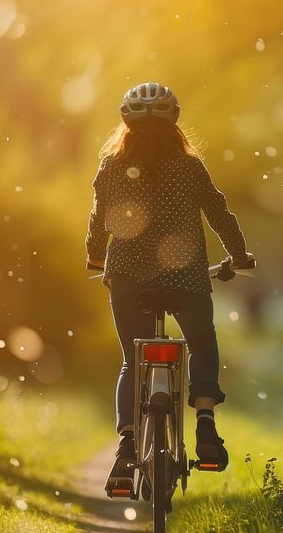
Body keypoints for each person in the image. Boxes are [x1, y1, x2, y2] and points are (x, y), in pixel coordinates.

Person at [85, 82, 254, 493]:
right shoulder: (190, 167)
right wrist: (239, 255)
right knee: (200, 342)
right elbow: (219, 212)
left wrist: (94, 257)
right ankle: (206, 427)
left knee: (132, 360)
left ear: (126, 125)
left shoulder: (110, 167)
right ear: (174, 123)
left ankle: (127, 449)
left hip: (126, 277)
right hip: (186, 277)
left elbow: (99, 220)